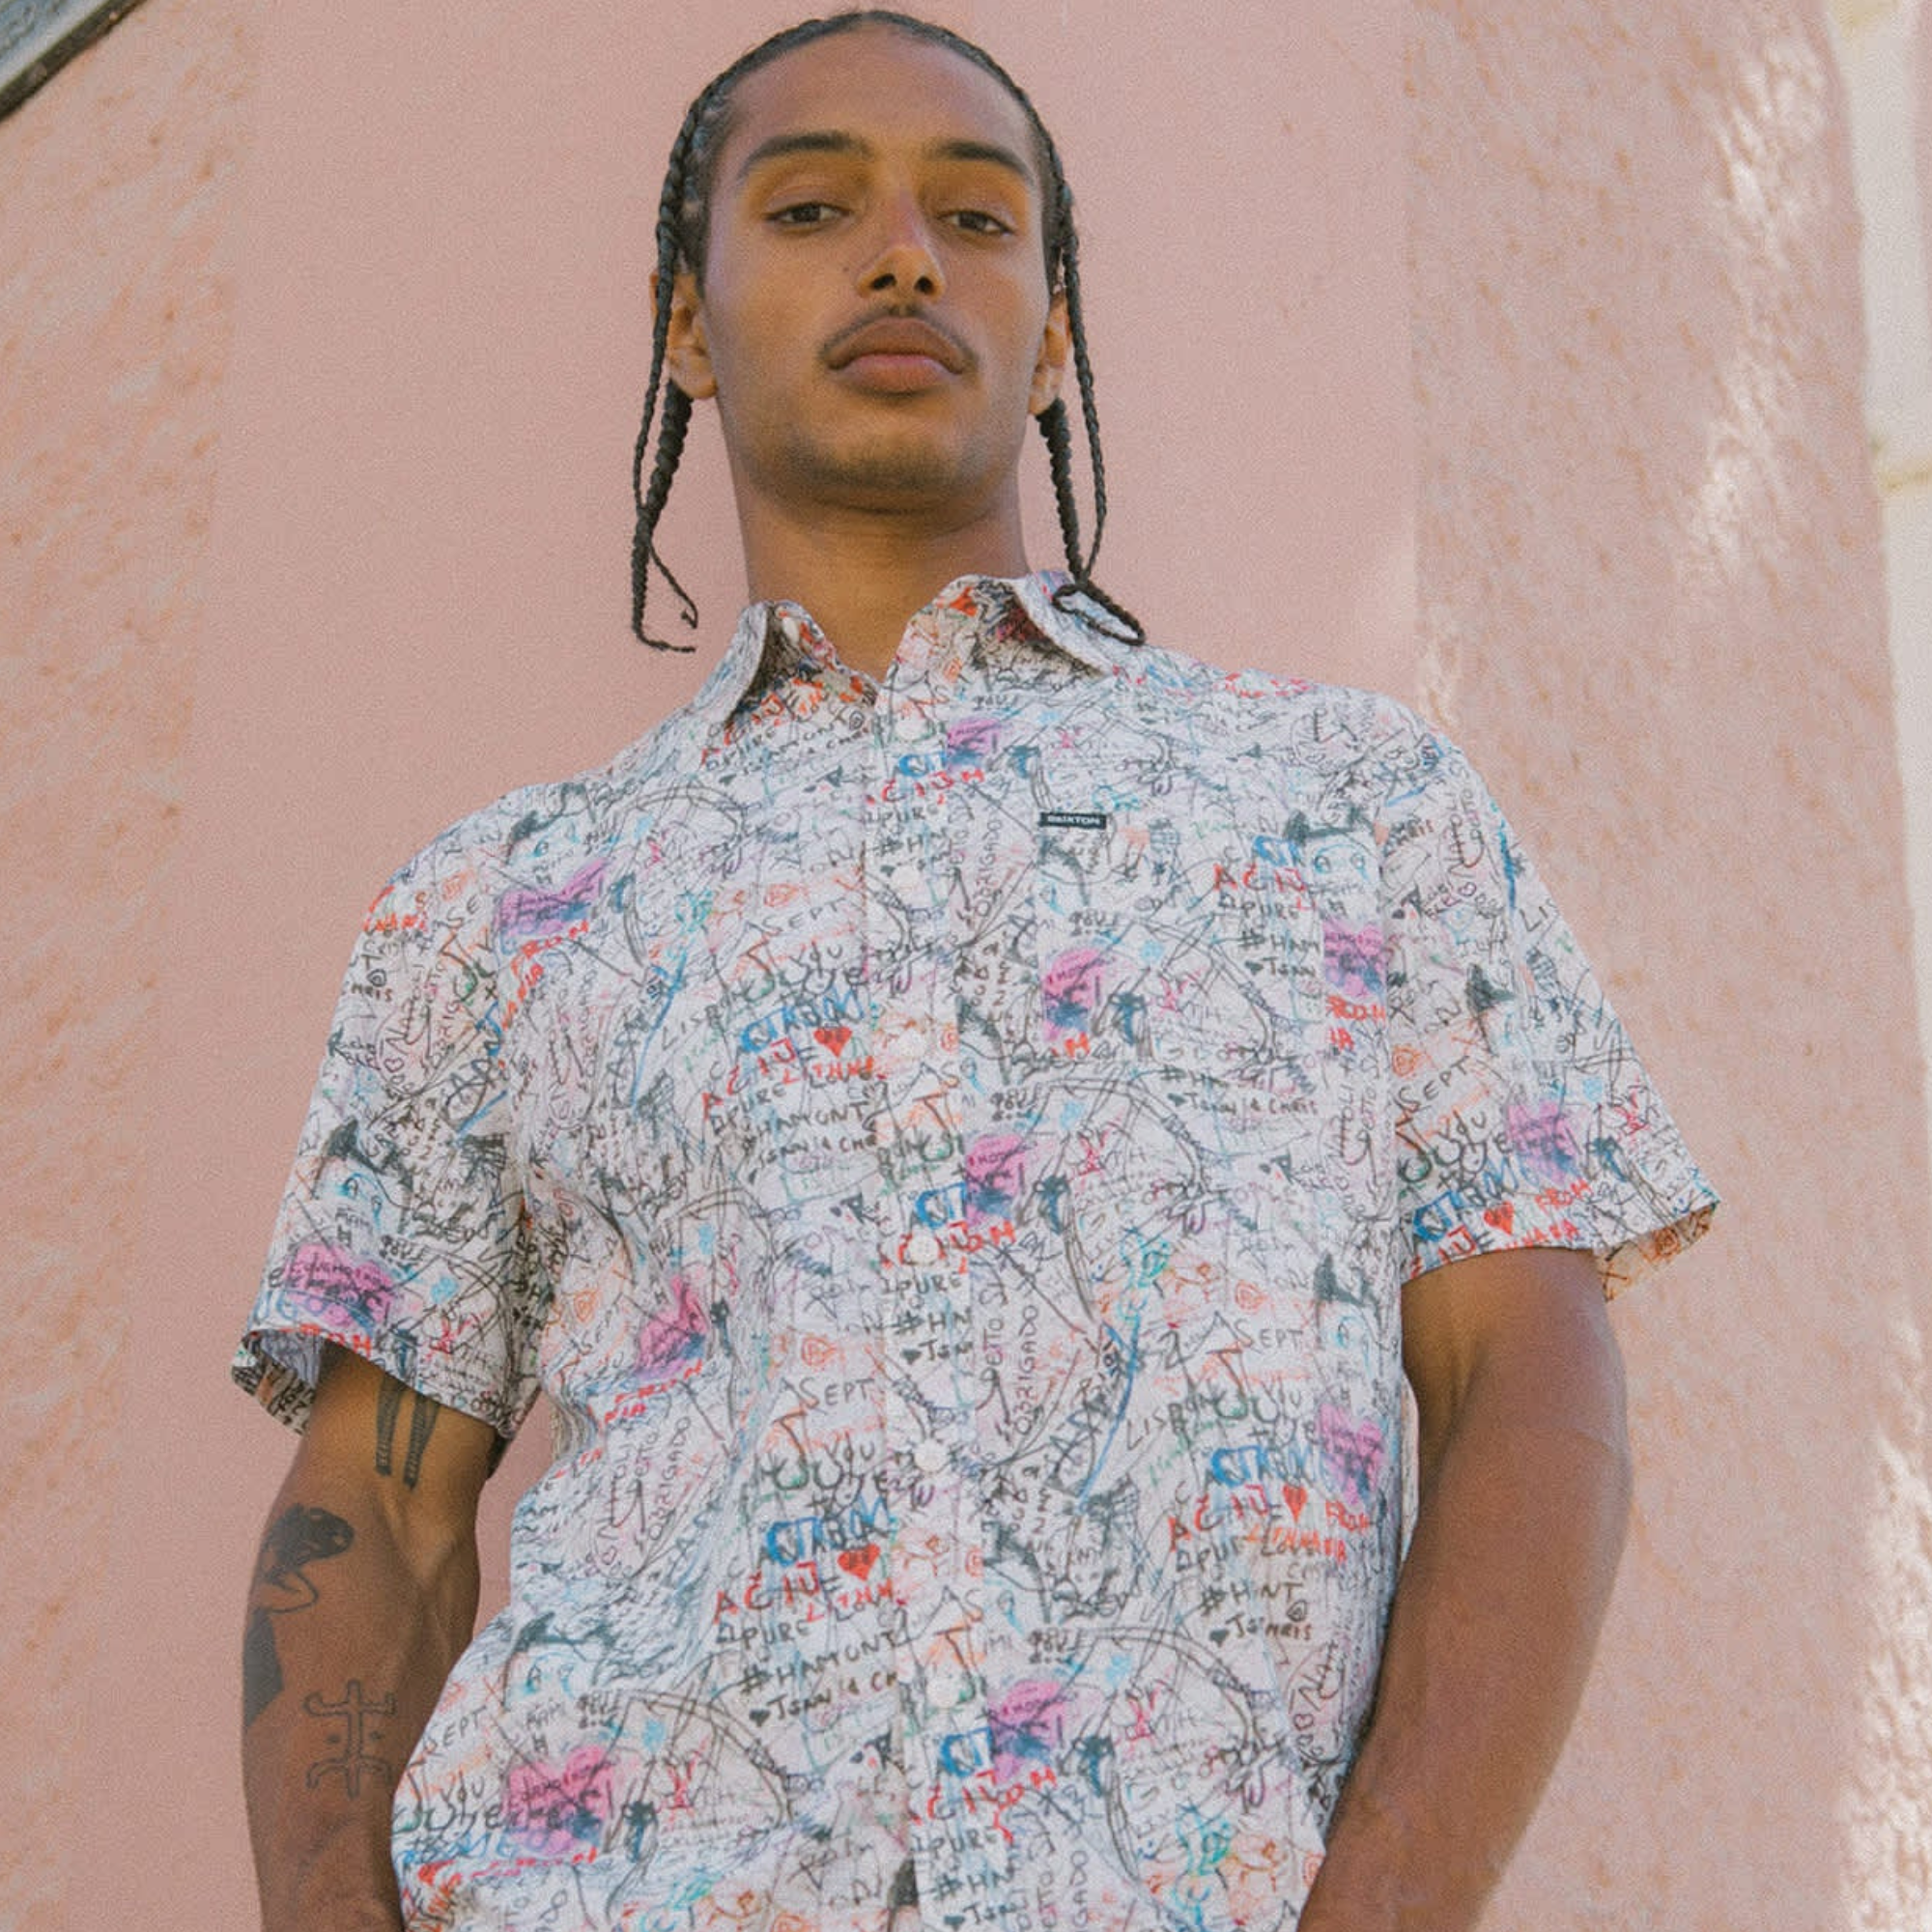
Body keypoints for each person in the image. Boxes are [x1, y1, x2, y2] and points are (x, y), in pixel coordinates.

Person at [235, 13, 1719, 1929]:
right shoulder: (496, 900)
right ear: (687, 324)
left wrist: (1391, 1903)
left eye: (976, 215)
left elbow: (1531, 1374)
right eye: (811, 205)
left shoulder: (1345, 798)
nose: (903, 254)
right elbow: (379, 1504)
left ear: (1057, 330)